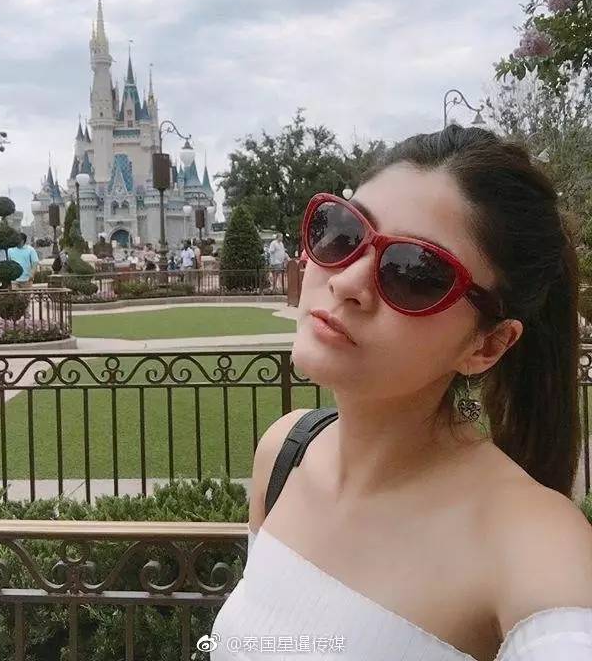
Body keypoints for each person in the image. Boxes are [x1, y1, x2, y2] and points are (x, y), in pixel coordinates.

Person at [210, 124, 592, 659]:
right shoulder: (286, 453)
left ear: (487, 345)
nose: (346, 281)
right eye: (342, 232)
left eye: (414, 273)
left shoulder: (531, 540)